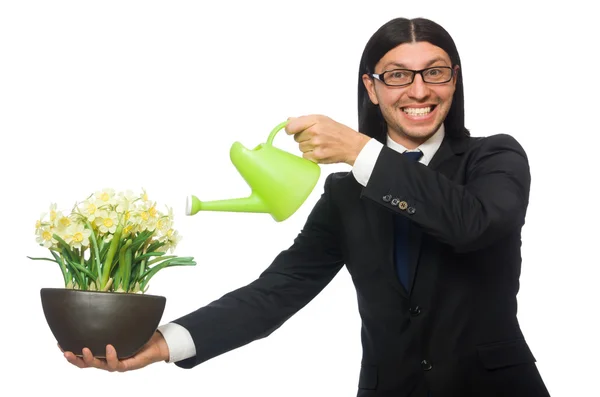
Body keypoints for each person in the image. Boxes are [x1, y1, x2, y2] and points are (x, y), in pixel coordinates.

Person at [62, 17, 551, 397]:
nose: (419, 90)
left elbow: (474, 224)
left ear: (454, 79)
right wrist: (164, 343)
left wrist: (359, 149)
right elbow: (278, 290)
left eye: (435, 72)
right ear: (372, 87)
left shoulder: (496, 157)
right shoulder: (346, 193)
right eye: (398, 75)